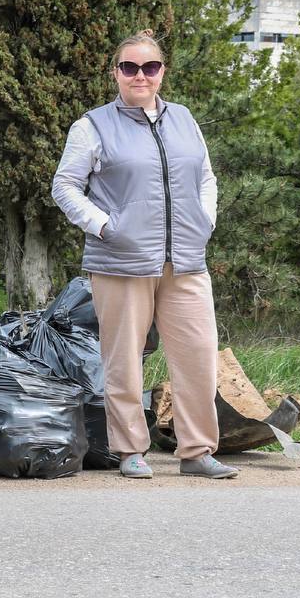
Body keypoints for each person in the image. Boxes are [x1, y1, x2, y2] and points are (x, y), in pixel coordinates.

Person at [52, 30, 236, 479]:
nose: (140, 75)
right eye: (129, 67)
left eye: (149, 67)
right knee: (124, 358)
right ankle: (131, 448)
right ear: (115, 72)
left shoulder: (184, 119)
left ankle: (196, 451)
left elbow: (205, 176)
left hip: (186, 259)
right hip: (121, 261)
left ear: (161, 72)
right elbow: (65, 187)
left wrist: (204, 220)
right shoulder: (92, 125)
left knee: (196, 354)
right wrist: (104, 227)